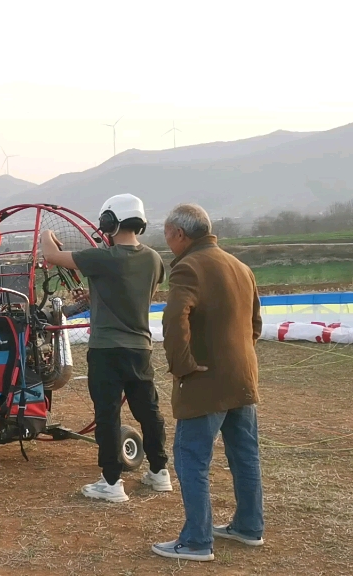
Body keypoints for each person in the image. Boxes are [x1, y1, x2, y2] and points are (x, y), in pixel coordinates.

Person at [39, 193, 171, 503]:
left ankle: (112, 483)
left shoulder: (103, 258)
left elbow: (51, 255)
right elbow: (136, 291)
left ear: (109, 222)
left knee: (108, 415)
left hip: (107, 350)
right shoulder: (153, 258)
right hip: (140, 348)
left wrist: (47, 233)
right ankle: (160, 472)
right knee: (148, 411)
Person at [152, 204, 264, 562]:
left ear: (180, 235)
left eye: (168, 233)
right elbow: (255, 323)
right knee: (244, 456)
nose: (167, 240)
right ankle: (249, 527)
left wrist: (183, 366)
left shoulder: (188, 267)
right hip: (241, 379)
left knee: (190, 459)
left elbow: (174, 320)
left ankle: (197, 540)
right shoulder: (240, 267)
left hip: (205, 382)